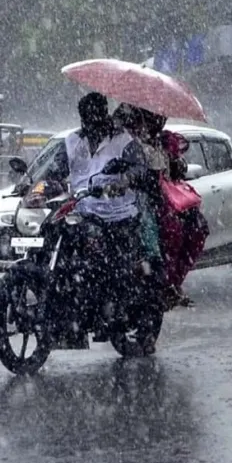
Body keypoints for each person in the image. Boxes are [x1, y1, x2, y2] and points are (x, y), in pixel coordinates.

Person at [54, 92, 154, 344]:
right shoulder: (72, 141)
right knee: (61, 249)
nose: (90, 123)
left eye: (94, 117)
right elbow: (55, 171)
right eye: (85, 118)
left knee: (112, 268)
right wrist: (40, 187)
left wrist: (123, 181)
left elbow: (140, 169)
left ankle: (114, 312)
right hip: (83, 211)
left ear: (102, 114)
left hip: (117, 214)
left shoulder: (123, 141)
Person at [116, 104, 208, 309]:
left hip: (166, 199)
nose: (159, 121)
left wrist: (175, 163)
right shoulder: (124, 142)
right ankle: (163, 282)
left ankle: (172, 282)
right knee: (166, 232)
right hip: (139, 200)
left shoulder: (164, 142)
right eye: (154, 117)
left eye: (161, 118)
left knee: (195, 228)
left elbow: (175, 170)